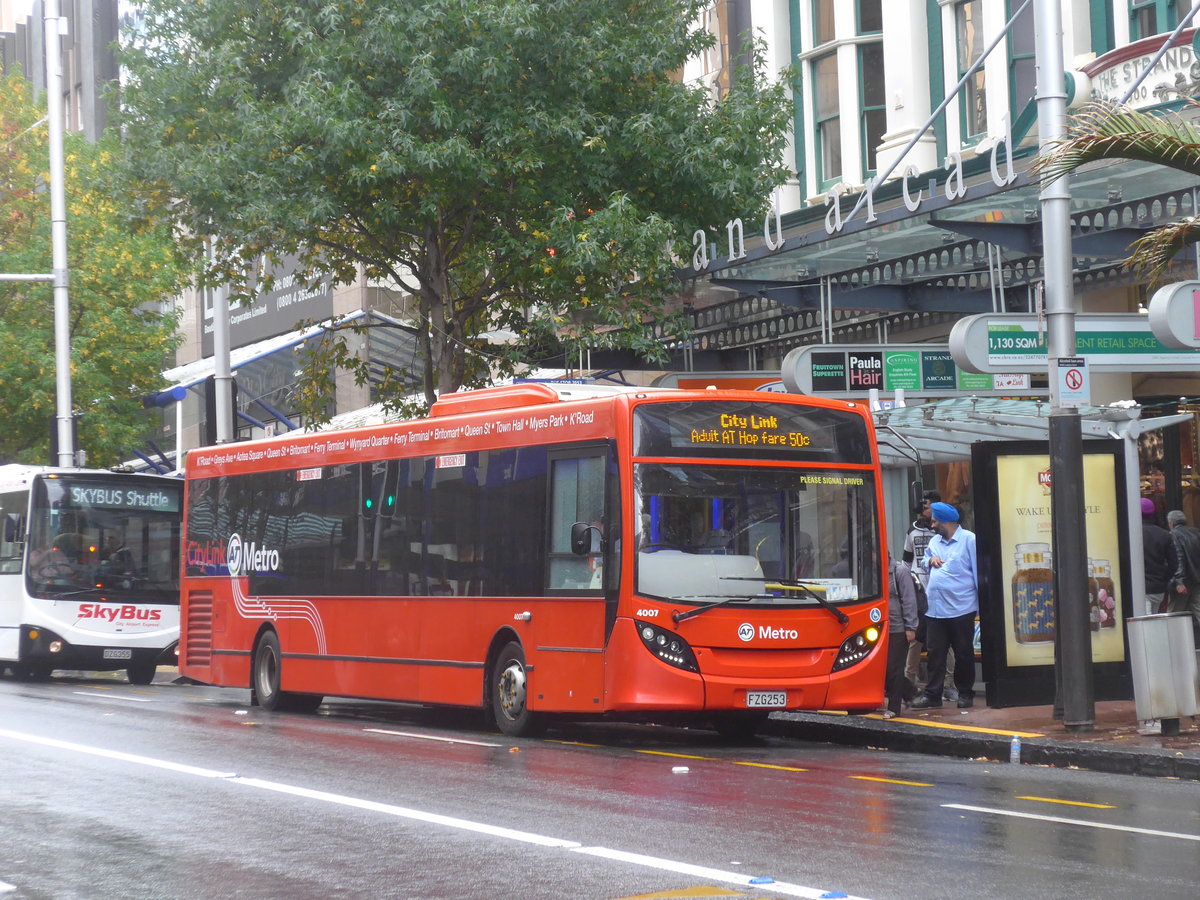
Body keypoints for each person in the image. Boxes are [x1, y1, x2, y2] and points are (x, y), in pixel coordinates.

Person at [912, 502, 978, 710]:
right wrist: (930, 561)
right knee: (935, 654)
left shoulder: (969, 540)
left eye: (934, 521)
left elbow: (977, 571)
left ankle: (965, 693)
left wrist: (981, 606)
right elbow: (924, 561)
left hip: (961, 608)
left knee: (963, 654)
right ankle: (933, 695)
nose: (932, 526)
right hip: (935, 610)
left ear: (946, 521)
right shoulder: (935, 542)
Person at [902, 491, 945, 691]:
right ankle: (908, 683)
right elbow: (907, 559)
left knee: (944, 640)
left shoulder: (942, 531)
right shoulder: (913, 529)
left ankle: (947, 683)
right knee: (916, 639)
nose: (922, 511)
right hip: (918, 590)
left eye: (925, 507)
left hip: (938, 591)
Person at [883, 554, 919, 719]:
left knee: (894, 668)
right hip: (880, 626)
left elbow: (909, 600)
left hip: (898, 627)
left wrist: (910, 626)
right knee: (884, 668)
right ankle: (910, 691)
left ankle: (894, 707)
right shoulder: (872, 571)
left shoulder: (900, 571)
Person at [1166, 509, 1200, 646]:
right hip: (1197, 581)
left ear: (1172, 523)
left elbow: (1178, 557)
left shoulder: (1173, 535)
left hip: (1184, 583)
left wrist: (1179, 581)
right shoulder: (1197, 532)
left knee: (1174, 615)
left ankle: (1173, 646)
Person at [1142, 498, 1175, 617]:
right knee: (1154, 618)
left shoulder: (1131, 533)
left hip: (1141, 587)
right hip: (1158, 588)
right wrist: (1163, 579)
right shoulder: (1164, 534)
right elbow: (1174, 564)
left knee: (1147, 623)